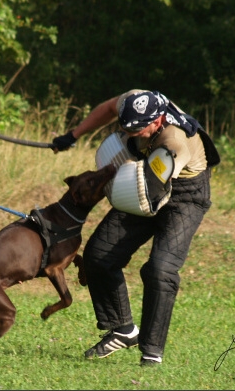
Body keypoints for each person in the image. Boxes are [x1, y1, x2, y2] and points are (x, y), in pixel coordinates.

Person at [52, 89, 219, 366]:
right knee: (99, 255)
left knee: (160, 269)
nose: (130, 134)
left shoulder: (174, 143)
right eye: (125, 128)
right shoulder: (135, 101)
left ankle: (152, 353)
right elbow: (107, 108)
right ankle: (123, 330)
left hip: (184, 194)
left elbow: (150, 191)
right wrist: (73, 135)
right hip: (145, 173)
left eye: (137, 130)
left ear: (156, 122)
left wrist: (107, 184)